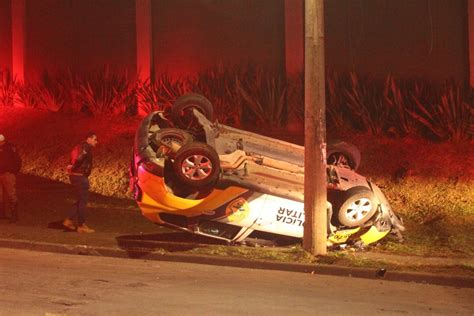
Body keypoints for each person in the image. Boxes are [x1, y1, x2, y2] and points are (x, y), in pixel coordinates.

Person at [63, 132, 98, 233]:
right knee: (83, 201)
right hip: (80, 176)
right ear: (89, 139)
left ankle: (69, 220)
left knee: (80, 199)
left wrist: (71, 166)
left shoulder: (77, 147)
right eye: (95, 139)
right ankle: (81, 225)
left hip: (75, 176)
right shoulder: (86, 148)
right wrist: (74, 167)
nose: (97, 142)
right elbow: (80, 158)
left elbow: (72, 159)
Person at [0, 134, 22, 222]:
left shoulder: (10, 148)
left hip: (7, 173)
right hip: (4, 173)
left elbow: (17, 160)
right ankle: (2, 214)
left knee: (11, 194)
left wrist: (13, 171)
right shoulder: (10, 148)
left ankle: (14, 215)